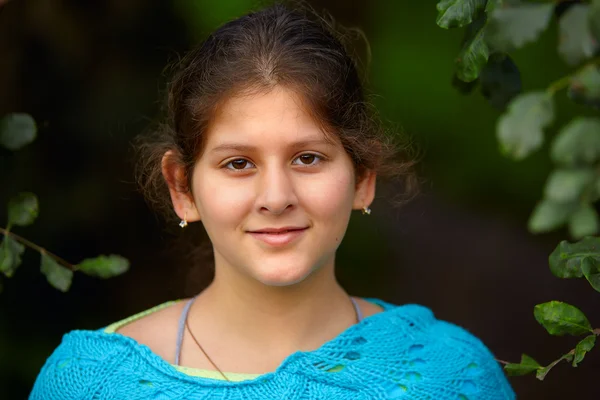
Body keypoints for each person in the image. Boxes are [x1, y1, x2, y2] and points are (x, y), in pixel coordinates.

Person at [30, 2, 515, 399]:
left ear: (363, 177)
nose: (276, 197)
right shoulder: (88, 383)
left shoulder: (452, 377)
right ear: (183, 188)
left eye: (307, 158)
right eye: (238, 163)